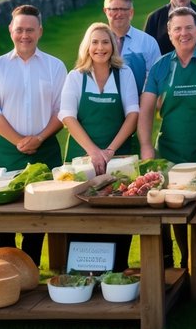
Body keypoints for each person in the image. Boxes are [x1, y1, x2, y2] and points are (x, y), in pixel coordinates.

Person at [138, 6, 196, 268]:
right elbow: (145, 112)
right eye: (177, 28)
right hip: (169, 153)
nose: (183, 33)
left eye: (189, 27)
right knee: (174, 210)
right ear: (169, 33)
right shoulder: (159, 67)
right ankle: (182, 262)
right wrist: (146, 147)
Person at [0, 4, 66, 266]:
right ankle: (4, 267)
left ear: (40, 31)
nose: (24, 35)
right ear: (10, 30)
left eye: (30, 29)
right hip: (6, 150)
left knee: (38, 218)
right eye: (19, 30)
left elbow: (63, 110)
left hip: (46, 149)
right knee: (3, 219)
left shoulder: (55, 66)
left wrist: (39, 138)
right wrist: (18, 139)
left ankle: (31, 270)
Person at [59, 22, 140, 271]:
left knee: (120, 211)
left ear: (113, 46)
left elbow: (133, 115)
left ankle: (117, 267)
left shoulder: (123, 73)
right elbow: (67, 117)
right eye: (94, 42)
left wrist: (110, 151)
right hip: (82, 156)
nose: (100, 47)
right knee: (80, 212)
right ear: (87, 46)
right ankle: (82, 269)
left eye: (105, 42)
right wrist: (94, 151)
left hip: (120, 155)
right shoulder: (76, 77)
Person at [103, 0, 161, 94]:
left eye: (124, 9)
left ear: (131, 12)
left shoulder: (148, 42)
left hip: (139, 104)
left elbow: (155, 79)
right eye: (114, 9)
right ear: (106, 11)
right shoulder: (95, 43)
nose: (119, 14)